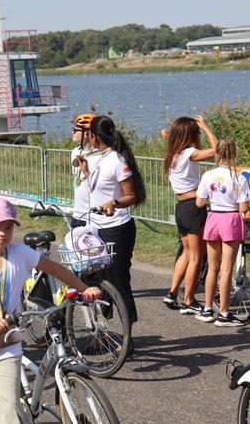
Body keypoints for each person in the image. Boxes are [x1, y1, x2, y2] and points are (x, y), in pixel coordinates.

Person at [0, 197, 102, 423]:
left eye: (8, 228)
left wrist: (85, 289)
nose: (2, 233)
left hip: (7, 344)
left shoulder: (20, 253)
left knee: (11, 412)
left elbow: (55, 269)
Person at [76, 116, 146, 336]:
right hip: (96, 227)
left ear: (94, 136)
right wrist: (87, 173)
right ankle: (102, 333)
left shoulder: (117, 160)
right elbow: (98, 189)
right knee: (98, 281)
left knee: (118, 281)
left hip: (117, 228)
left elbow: (132, 196)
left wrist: (114, 203)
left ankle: (128, 336)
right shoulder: (100, 158)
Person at [162, 115, 217, 314]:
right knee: (196, 256)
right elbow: (218, 150)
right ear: (190, 135)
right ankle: (189, 300)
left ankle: (172, 292)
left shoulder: (173, 155)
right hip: (193, 208)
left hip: (181, 208)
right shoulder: (190, 154)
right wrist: (206, 128)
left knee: (186, 253)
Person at [194, 140, 250, 326]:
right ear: (234, 155)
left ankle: (208, 308)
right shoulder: (238, 178)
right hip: (230, 219)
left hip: (213, 218)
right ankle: (224, 312)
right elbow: (243, 207)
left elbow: (200, 203)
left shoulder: (208, 175)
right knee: (226, 269)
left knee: (213, 268)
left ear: (217, 154)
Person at [70, 113, 97, 229]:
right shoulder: (74, 152)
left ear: (86, 134)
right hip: (78, 213)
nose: (72, 132)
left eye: (75, 130)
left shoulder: (97, 155)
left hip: (93, 215)